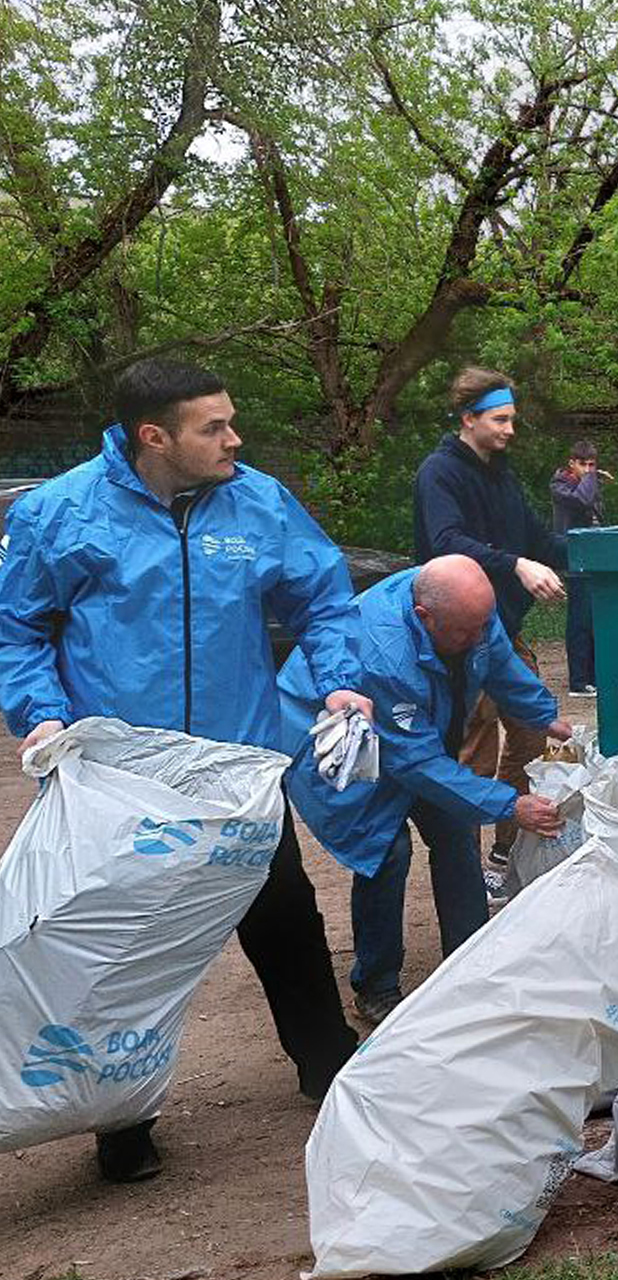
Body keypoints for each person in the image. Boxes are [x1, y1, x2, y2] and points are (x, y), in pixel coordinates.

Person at [0, 357, 367, 1182]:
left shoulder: (259, 501)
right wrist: (43, 717)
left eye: (232, 421)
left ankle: (331, 1069)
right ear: (153, 436)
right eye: (215, 427)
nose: (234, 438)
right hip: (125, 782)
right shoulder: (61, 514)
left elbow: (323, 597)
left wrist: (340, 678)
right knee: (123, 952)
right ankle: (120, 1117)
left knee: (284, 920)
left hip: (238, 768)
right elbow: (18, 629)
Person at [278, 555, 572, 1023]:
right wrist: (508, 804)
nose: (477, 636)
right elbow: (417, 765)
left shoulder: (469, 610)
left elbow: (497, 659)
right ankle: (376, 984)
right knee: (385, 849)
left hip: (406, 735)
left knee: (455, 829)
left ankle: (473, 960)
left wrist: (543, 714)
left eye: (483, 623)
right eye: (465, 631)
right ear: (423, 617)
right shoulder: (382, 654)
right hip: (338, 742)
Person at [412, 366, 565, 890]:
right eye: (500, 420)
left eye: (512, 420)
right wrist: (515, 565)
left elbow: (540, 540)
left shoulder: (502, 474)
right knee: (471, 757)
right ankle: (465, 870)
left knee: (532, 736)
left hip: (505, 632)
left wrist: (599, 551)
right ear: (468, 418)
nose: (509, 430)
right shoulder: (439, 473)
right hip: (458, 639)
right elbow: (445, 540)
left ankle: (507, 855)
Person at [550, 441, 610, 697]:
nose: (588, 469)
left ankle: (595, 676)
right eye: (583, 464)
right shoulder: (560, 486)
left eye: (592, 464)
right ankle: (579, 680)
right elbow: (581, 500)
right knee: (580, 620)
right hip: (575, 558)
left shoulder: (589, 483)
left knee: (596, 619)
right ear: (571, 463)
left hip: (595, 557)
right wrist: (593, 478)